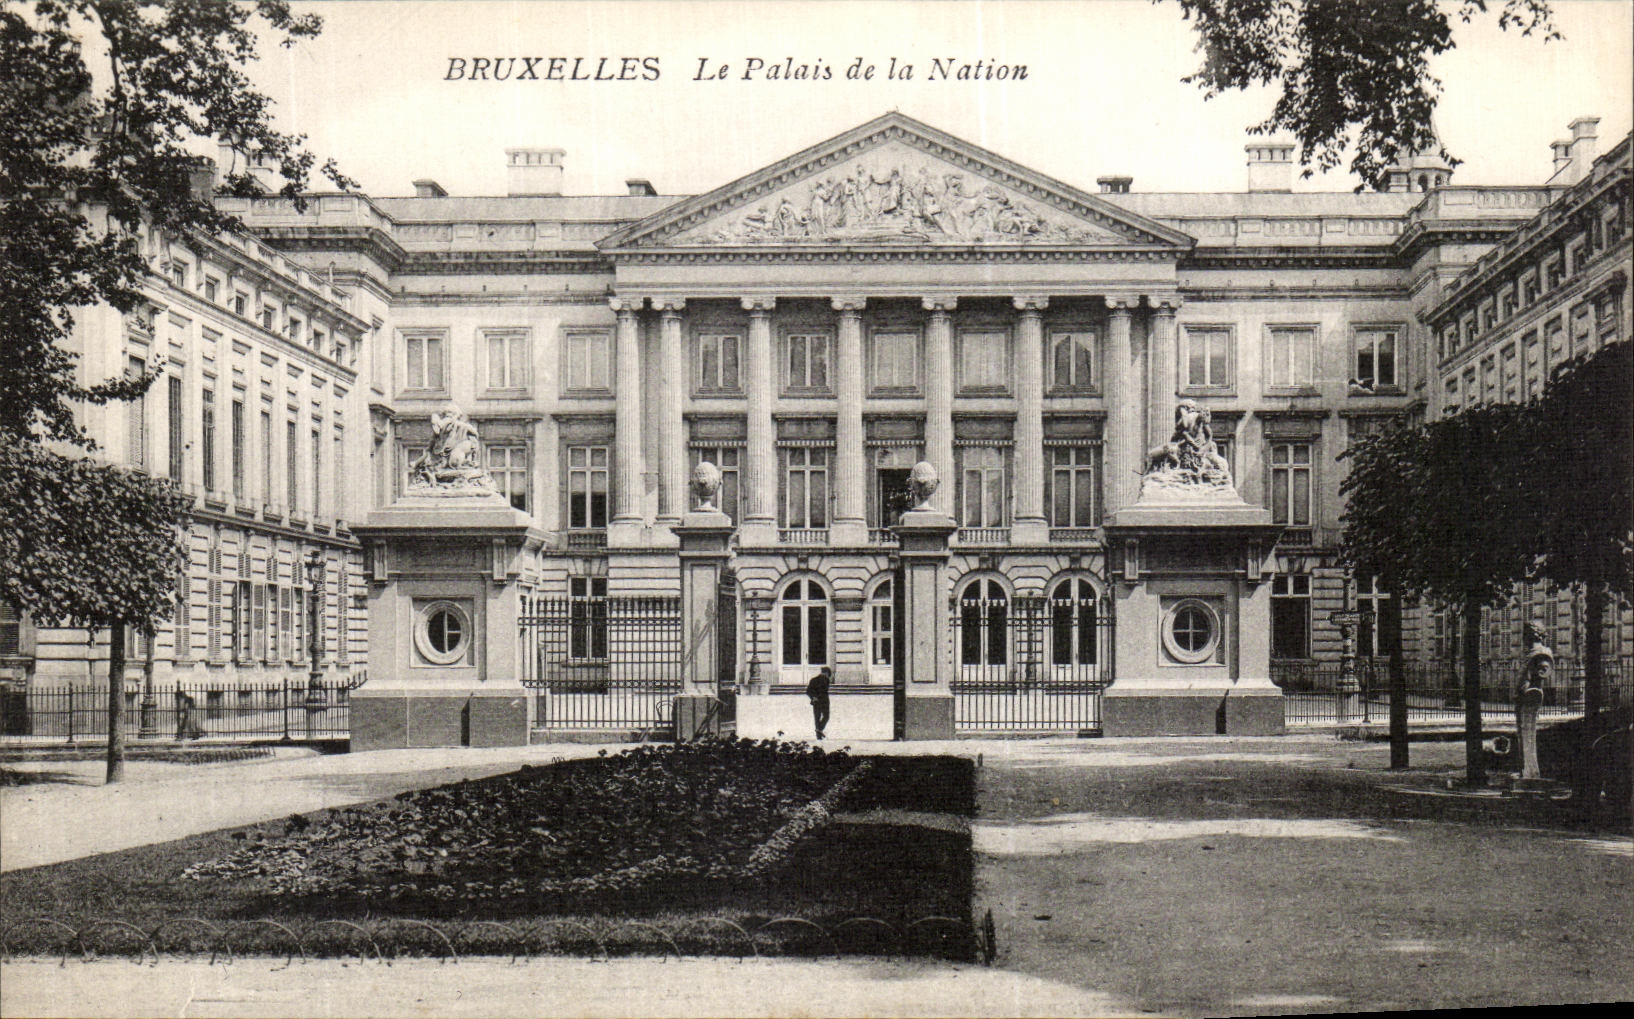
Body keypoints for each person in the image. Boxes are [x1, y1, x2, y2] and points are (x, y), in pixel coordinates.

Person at [806, 666, 832, 740]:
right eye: (828, 674)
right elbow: (822, 690)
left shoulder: (813, 680)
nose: (828, 676)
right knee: (826, 716)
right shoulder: (825, 680)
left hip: (817, 701)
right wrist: (815, 697)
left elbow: (808, 691)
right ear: (826, 673)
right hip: (823, 701)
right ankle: (819, 730)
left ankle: (818, 732)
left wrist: (813, 697)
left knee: (817, 717)